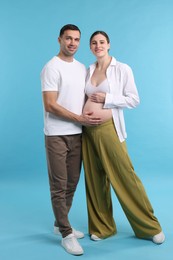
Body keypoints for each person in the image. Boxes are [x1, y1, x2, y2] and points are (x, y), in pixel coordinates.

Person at [82, 31, 165, 245]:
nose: (98, 45)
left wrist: (107, 98)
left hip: (109, 129)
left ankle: (149, 227)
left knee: (124, 176)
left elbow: (134, 99)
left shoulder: (122, 69)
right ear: (90, 47)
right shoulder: (88, 70)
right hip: (87, 132)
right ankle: (102, 227)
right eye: (94, 43)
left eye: (101, 42)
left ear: (109, 44)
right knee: (94, 178)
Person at [40, 24, 101, 256]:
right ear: (59, 40)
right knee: (59, 185)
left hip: (78, 134)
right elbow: (50, 104)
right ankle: (66, 234)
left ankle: (58, 224)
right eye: (68, 39)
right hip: (56, 134)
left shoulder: (81, 68)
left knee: (73, 182)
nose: (72, 43)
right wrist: (79, 118)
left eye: (76, 39)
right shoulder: (51, 68)